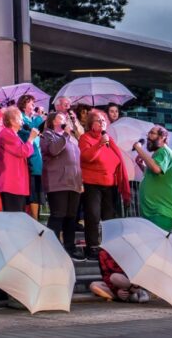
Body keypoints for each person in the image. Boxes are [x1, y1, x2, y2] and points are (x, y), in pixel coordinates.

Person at [78, 109, 132, 259]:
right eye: (99, 121)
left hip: (110, 184)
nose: (102, 123)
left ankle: (108, 247)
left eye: (104, 121)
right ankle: (93, 247)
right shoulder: (85, 138)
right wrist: (100, 145)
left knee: (109, 217)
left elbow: (116, 160)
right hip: (92, 183)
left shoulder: (109, 140)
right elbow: (86, 157)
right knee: (93, 216)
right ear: (91, 124)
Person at [41, 110, 84, 259]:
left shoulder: (72, 138)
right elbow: (53, 150)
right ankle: (51, 248)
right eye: (61, 117)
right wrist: (65, 134)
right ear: (53, 121)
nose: (65, 119)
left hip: (74, 183)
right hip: (57, 182)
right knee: (58, 215)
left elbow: (77, 160)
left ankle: (70, 248)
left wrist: (80, 181)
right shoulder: (48, 135)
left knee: (71, 217)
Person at [133, 125, 172, 233]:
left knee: (154, 246)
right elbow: (155, 176)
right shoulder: (158, 154)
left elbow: (156, 169)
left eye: (152, 133)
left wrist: (138, 148)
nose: (148, 136)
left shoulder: (163, 151)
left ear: (163, 137)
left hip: (161, 210)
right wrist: (142, 166)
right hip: (156, 210)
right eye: (149, 133)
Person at [0, 106, 36, 213]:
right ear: (11, 121)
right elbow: (22, 152)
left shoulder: (14, 135)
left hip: (17, 183)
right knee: (13, 217)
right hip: (11, 183)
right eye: (19, 118)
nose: (22, 121)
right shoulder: (6, 134)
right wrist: (31, 139)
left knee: (18, 216)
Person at [17, 94, 46, 219]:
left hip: (38, 160)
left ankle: (36, 219)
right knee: (32, 193)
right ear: (24, 105)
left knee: (38, 192)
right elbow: (27, 134)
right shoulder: (21, 119)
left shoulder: (34, 119)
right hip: (29, 160)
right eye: (31, 103)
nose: (34, 105)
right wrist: (39, 119)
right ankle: (33, 220)